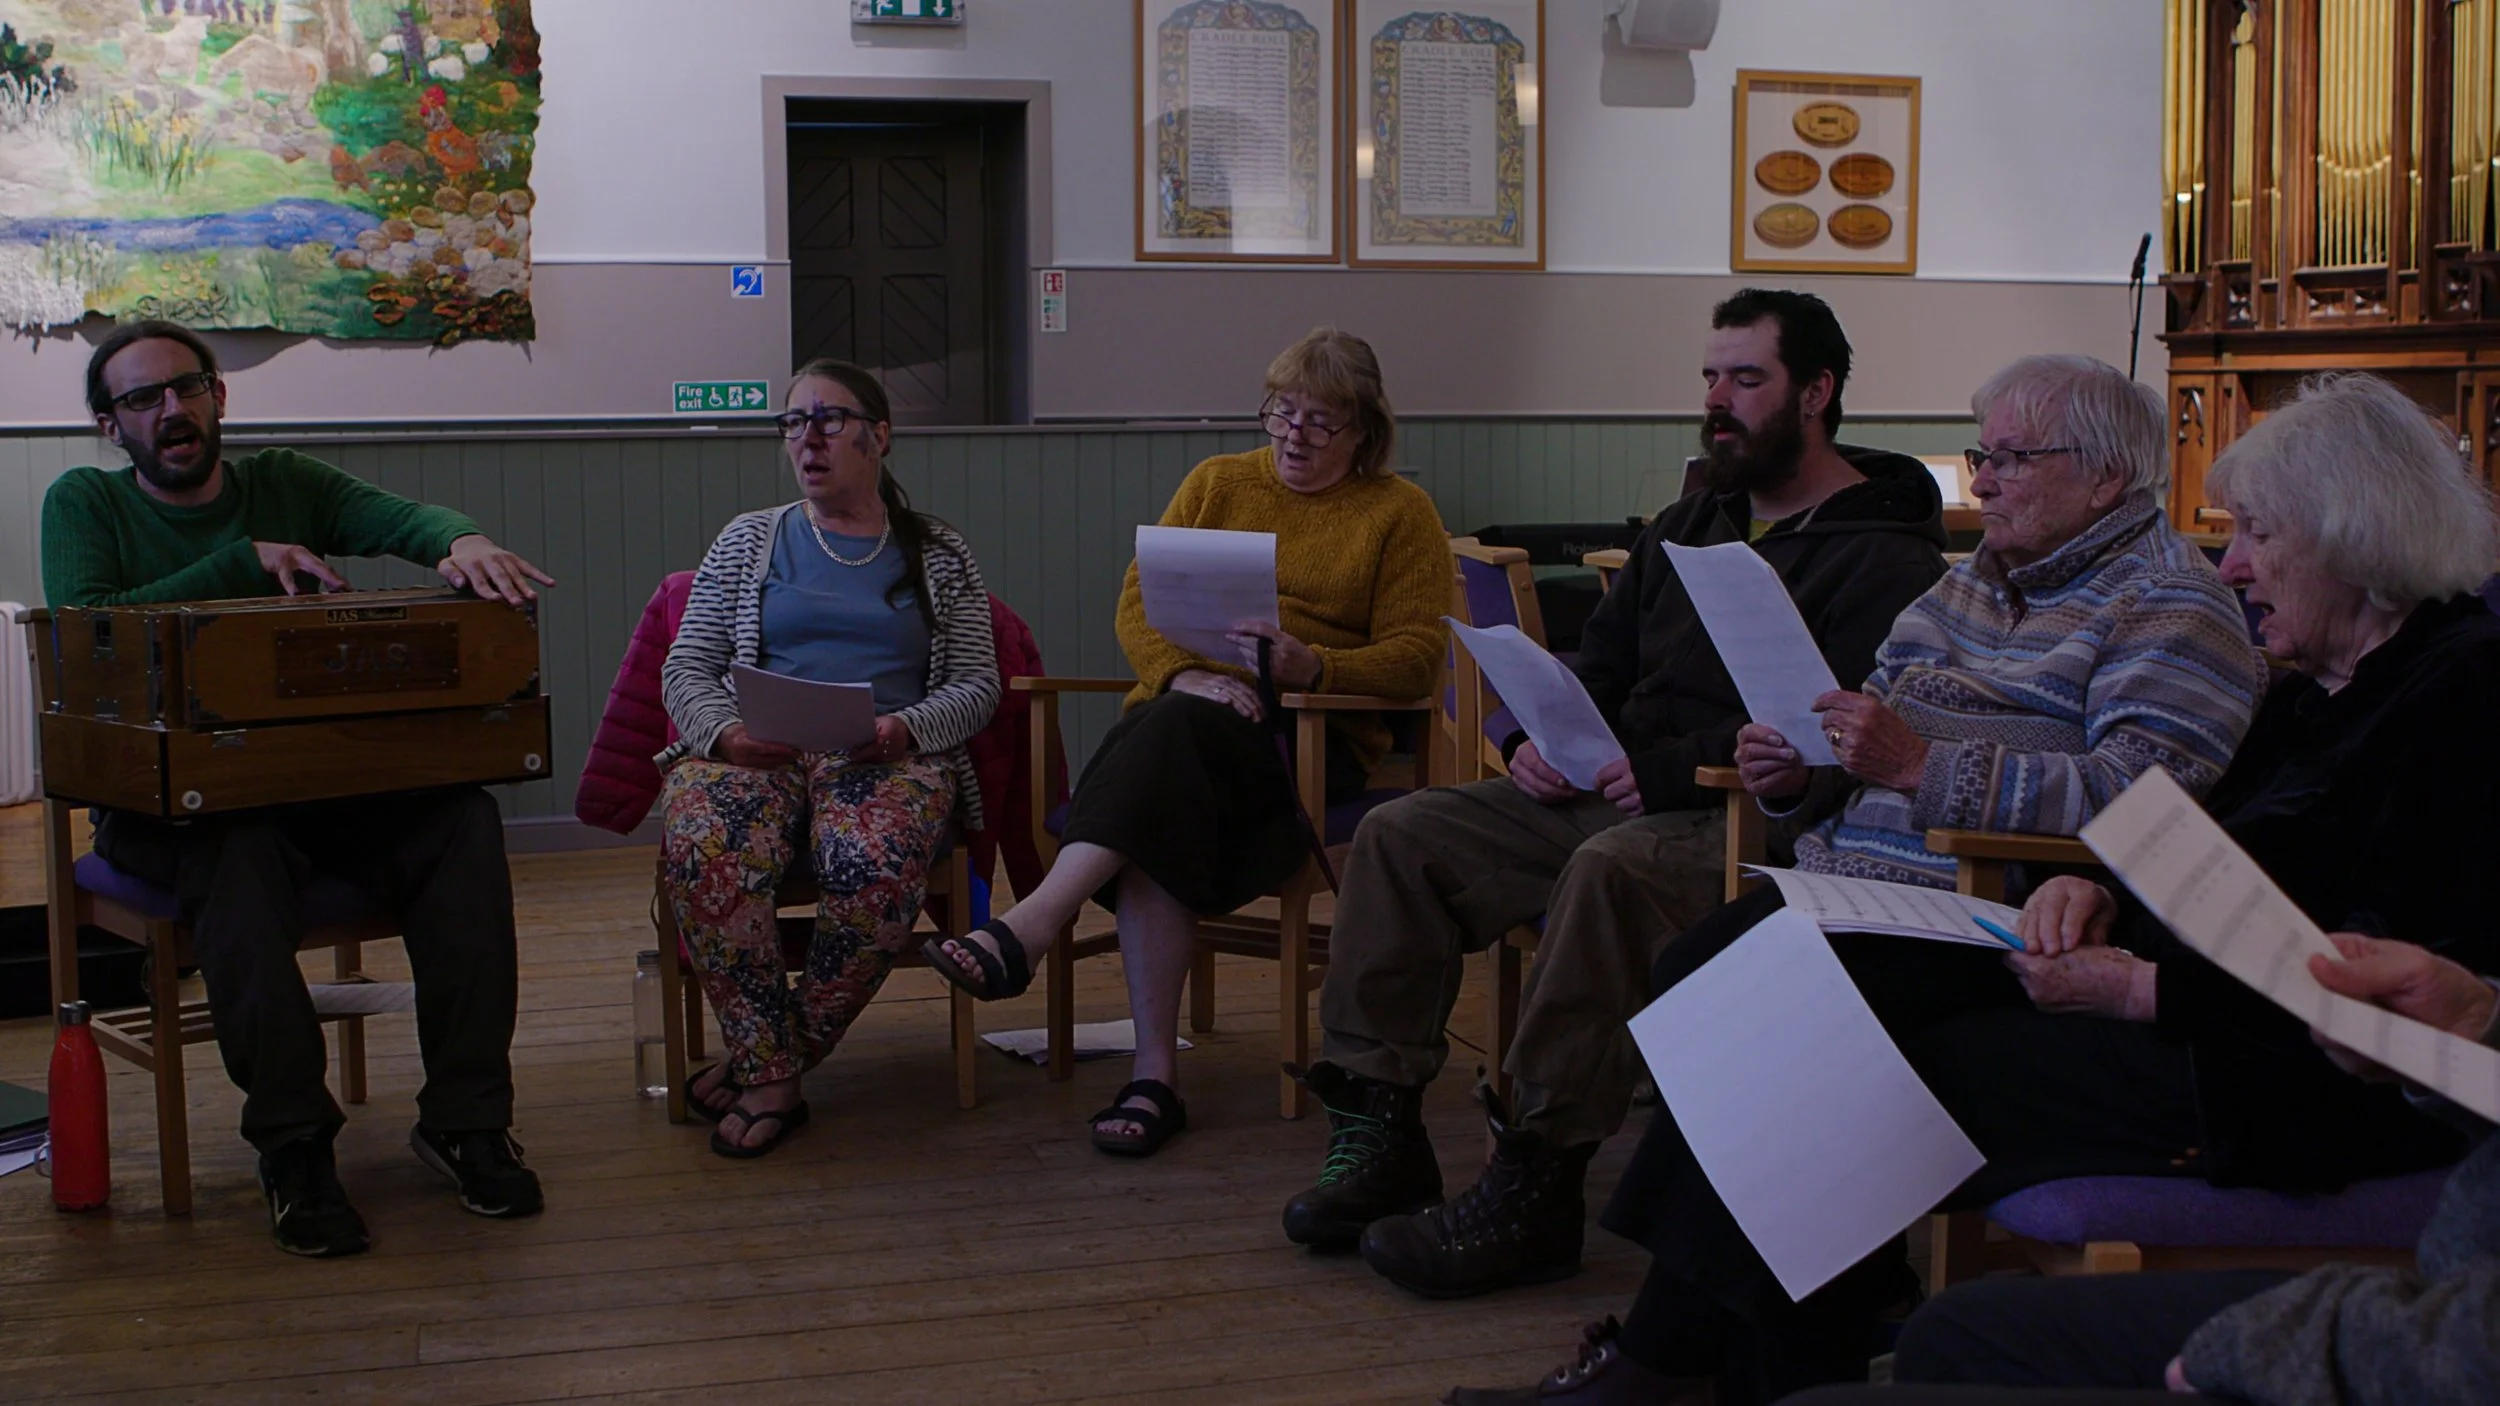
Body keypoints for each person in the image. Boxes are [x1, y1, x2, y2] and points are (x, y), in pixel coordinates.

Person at [1447, 373, 2500, 1406]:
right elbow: (2200, 850)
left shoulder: (2459, 692)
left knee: (1838, 1056)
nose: (2231, 565)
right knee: (1797, 1025)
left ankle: (1696, 1361)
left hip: (2285, 1080)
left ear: (2355, 534)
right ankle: (1746, 1367)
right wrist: (2102, 902)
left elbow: (2393, 975)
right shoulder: (2320, 688)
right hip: (2187, 1013)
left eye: (2260, 534)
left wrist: (2138, 986)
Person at [1363, 350, 2268, 1303]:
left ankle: (1670, 1302)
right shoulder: (1976, 581)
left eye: (2011, 458)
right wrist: (1800, 772)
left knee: (1725, 980)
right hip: (1862, 877)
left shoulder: (2170, 603)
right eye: (1980, 454)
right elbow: (1862, 728)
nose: (1983, 480)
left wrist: (1920, 767)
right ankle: (1820, 1289)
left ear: (2106, 478)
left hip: (1997, 900)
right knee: (1699, 971)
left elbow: (2146, 805)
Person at [1282, 290, 1952, 1290]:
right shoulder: (1695, 518)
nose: (1717, 400)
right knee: (1402, 833)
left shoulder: (1883, 554)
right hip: (1616, 785)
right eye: (1709, 377)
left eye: (1746, 378)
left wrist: (1665, 767)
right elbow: (1600, 658)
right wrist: (1533, 733)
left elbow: (1830, 727)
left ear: (1816, 392)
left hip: (1751, 816)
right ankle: (1380, 1131)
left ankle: (1536, 1180)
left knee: (1609, 870)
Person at [39, 320, 555, 1258]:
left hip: (318, 792)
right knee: (234, 856)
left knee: (463, 824)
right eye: (143, 399)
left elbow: (406, 520)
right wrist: (243, 563)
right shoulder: (83, 501)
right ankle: (294, 1147)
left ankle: (466, 1120)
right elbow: (87, 626)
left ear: (218, 396)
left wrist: (463, 541)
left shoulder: (287, 479)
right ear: (111, 427)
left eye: (187, 389)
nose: (172, 411)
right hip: (166, 812)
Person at [924, 326, 1449, 1157]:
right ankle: (1149, 1072)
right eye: (1283, 413)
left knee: (1164, 752)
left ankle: (1050, 951)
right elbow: (1139, 606)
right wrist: (1179, 675)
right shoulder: (1217, 482)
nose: (1295, 437)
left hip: (1304, 745)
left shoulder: (1398, 512)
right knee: (1170, 751)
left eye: (1323, 421)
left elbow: (1419, 656)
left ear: (1365, 430)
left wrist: (1315, 666)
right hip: (1185, 729)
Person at [1785, 934, 2500, 1406]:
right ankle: (1700, 1338)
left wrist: (2308, 1340)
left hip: (2428, 1349)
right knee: (1956, 1333)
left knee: (1906, 1071)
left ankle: (1716, 1344)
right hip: (2444, 1291)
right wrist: (2479, 1028)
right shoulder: (2311, 718)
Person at [661, 359, 1000, 1159]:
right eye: (792, 422)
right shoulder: (749, 539)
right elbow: (688, 666)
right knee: (709, 844)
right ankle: (772, 1069)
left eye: (829, 419)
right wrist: (726, 737)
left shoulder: (939, 552)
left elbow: (978, 682)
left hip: (882, 751)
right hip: (757, 746)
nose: (807, 438)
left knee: (877, 864)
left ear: (879, 436)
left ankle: (770, 1062)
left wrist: (903, 730)